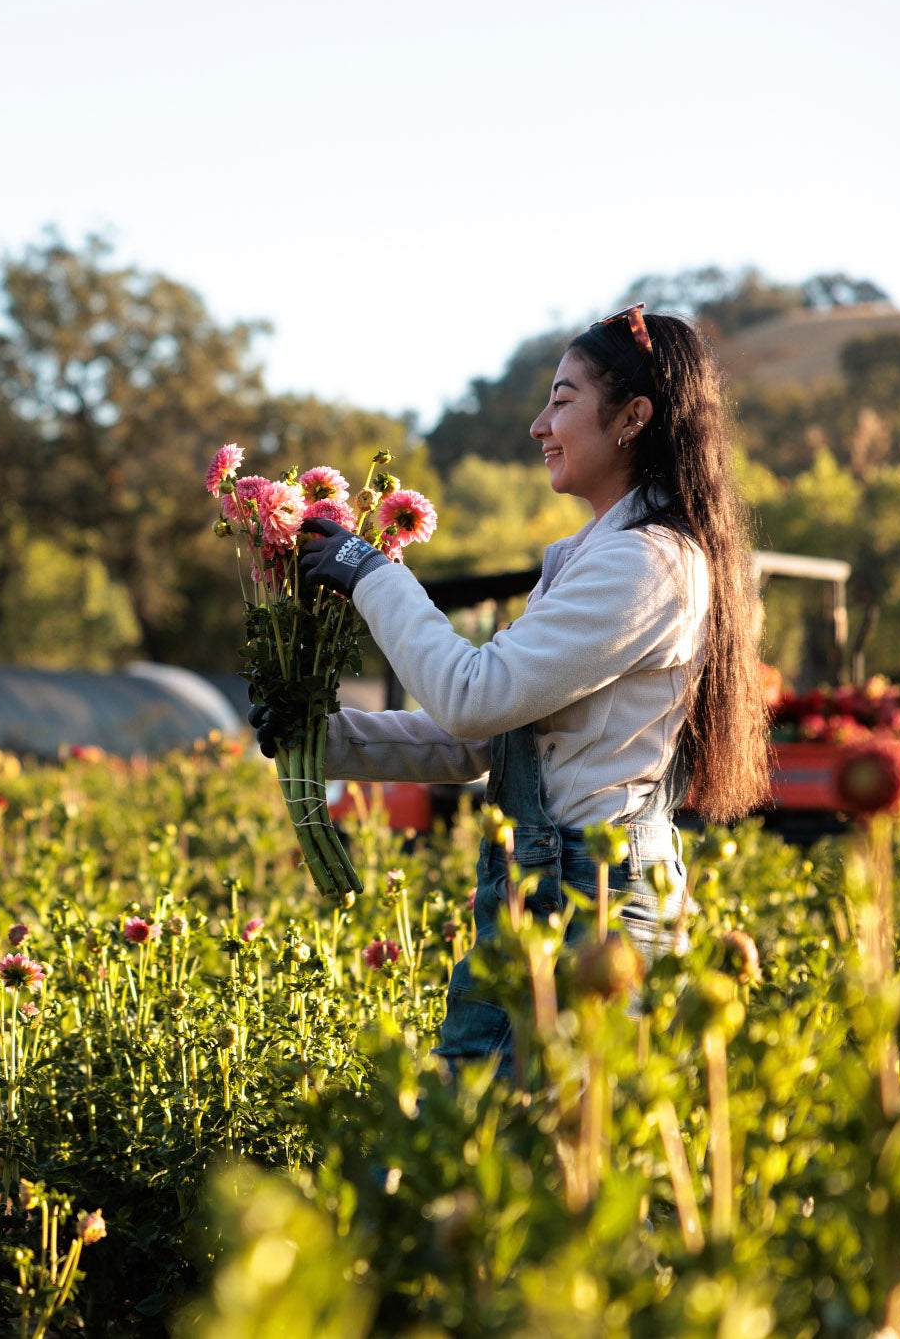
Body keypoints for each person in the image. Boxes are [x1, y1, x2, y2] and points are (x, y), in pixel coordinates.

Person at [263, 306, 768, 1078]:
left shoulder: (648, 564)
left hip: (586, 906)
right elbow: (480, 738)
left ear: (634, 418)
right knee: (501, 1157)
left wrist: (371, 573)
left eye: (562, 400)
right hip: (546, 891)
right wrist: (318, 738)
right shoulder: (598, 556)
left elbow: (472, 696)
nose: (539, 425)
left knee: (507, 1154)